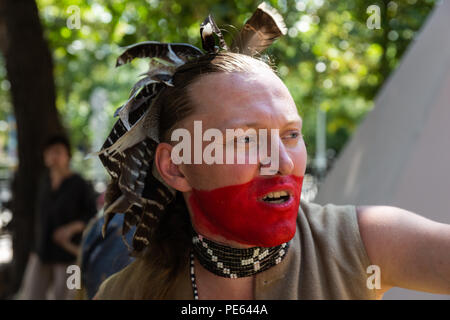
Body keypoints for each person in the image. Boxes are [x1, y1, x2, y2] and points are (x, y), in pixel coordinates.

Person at [94, 4, 450, 300]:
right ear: (176, 168)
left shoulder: (362, 242)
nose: (281, 162)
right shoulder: (126, 294)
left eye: (291, 134)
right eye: (245, 140)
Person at [19, 135, 97, 299]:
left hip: (72, 255)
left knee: (72, 296)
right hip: (41, 253)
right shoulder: (44, 181)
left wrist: (71, 228)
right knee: (31, 294)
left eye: (58, 152)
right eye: (49, 153)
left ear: (67, 155)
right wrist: (34, 248)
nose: (53, 156)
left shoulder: (80, 183)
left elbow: (93, 215)